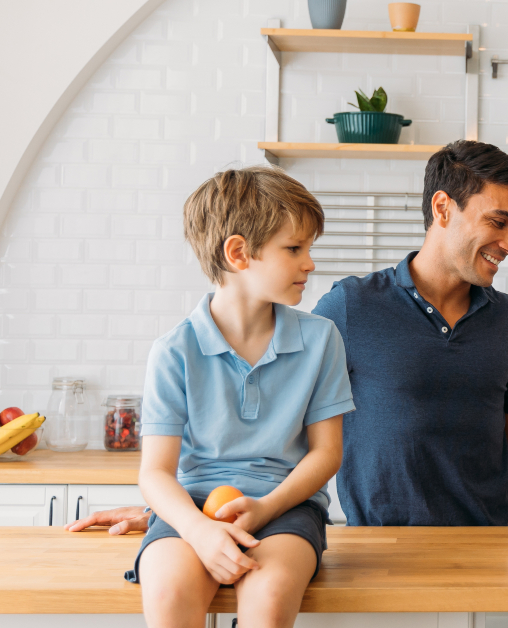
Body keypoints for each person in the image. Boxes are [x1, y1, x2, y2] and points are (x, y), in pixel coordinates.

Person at [68, 140, 508, 535]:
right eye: (499, 222)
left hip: (488, 541)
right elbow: (274, 430)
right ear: (443, 208)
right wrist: (184, 513)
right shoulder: (347, 307)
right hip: (377, 544)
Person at [131, 166, 353, 628]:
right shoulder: (174, 351)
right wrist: (198, 530)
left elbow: (328, 454)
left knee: (270, 598)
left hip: (287, 508)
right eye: (294, 248)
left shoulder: (321, 339)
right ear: (238, 253)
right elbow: (154, 473)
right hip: (190, 511)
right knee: (170, 592)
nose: (309, 263)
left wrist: (266, 507)